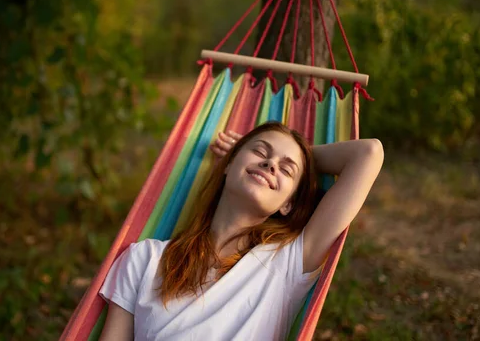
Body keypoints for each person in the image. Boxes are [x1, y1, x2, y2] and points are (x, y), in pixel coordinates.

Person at [98, 122, 384, 341]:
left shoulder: (287, 263)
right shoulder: (144, 258)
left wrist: (304, 160)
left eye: (286, 170)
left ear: (288, 204)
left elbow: (368, 153)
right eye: (260, 151)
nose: (271, 164)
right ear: (228, 165)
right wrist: (283, 163)